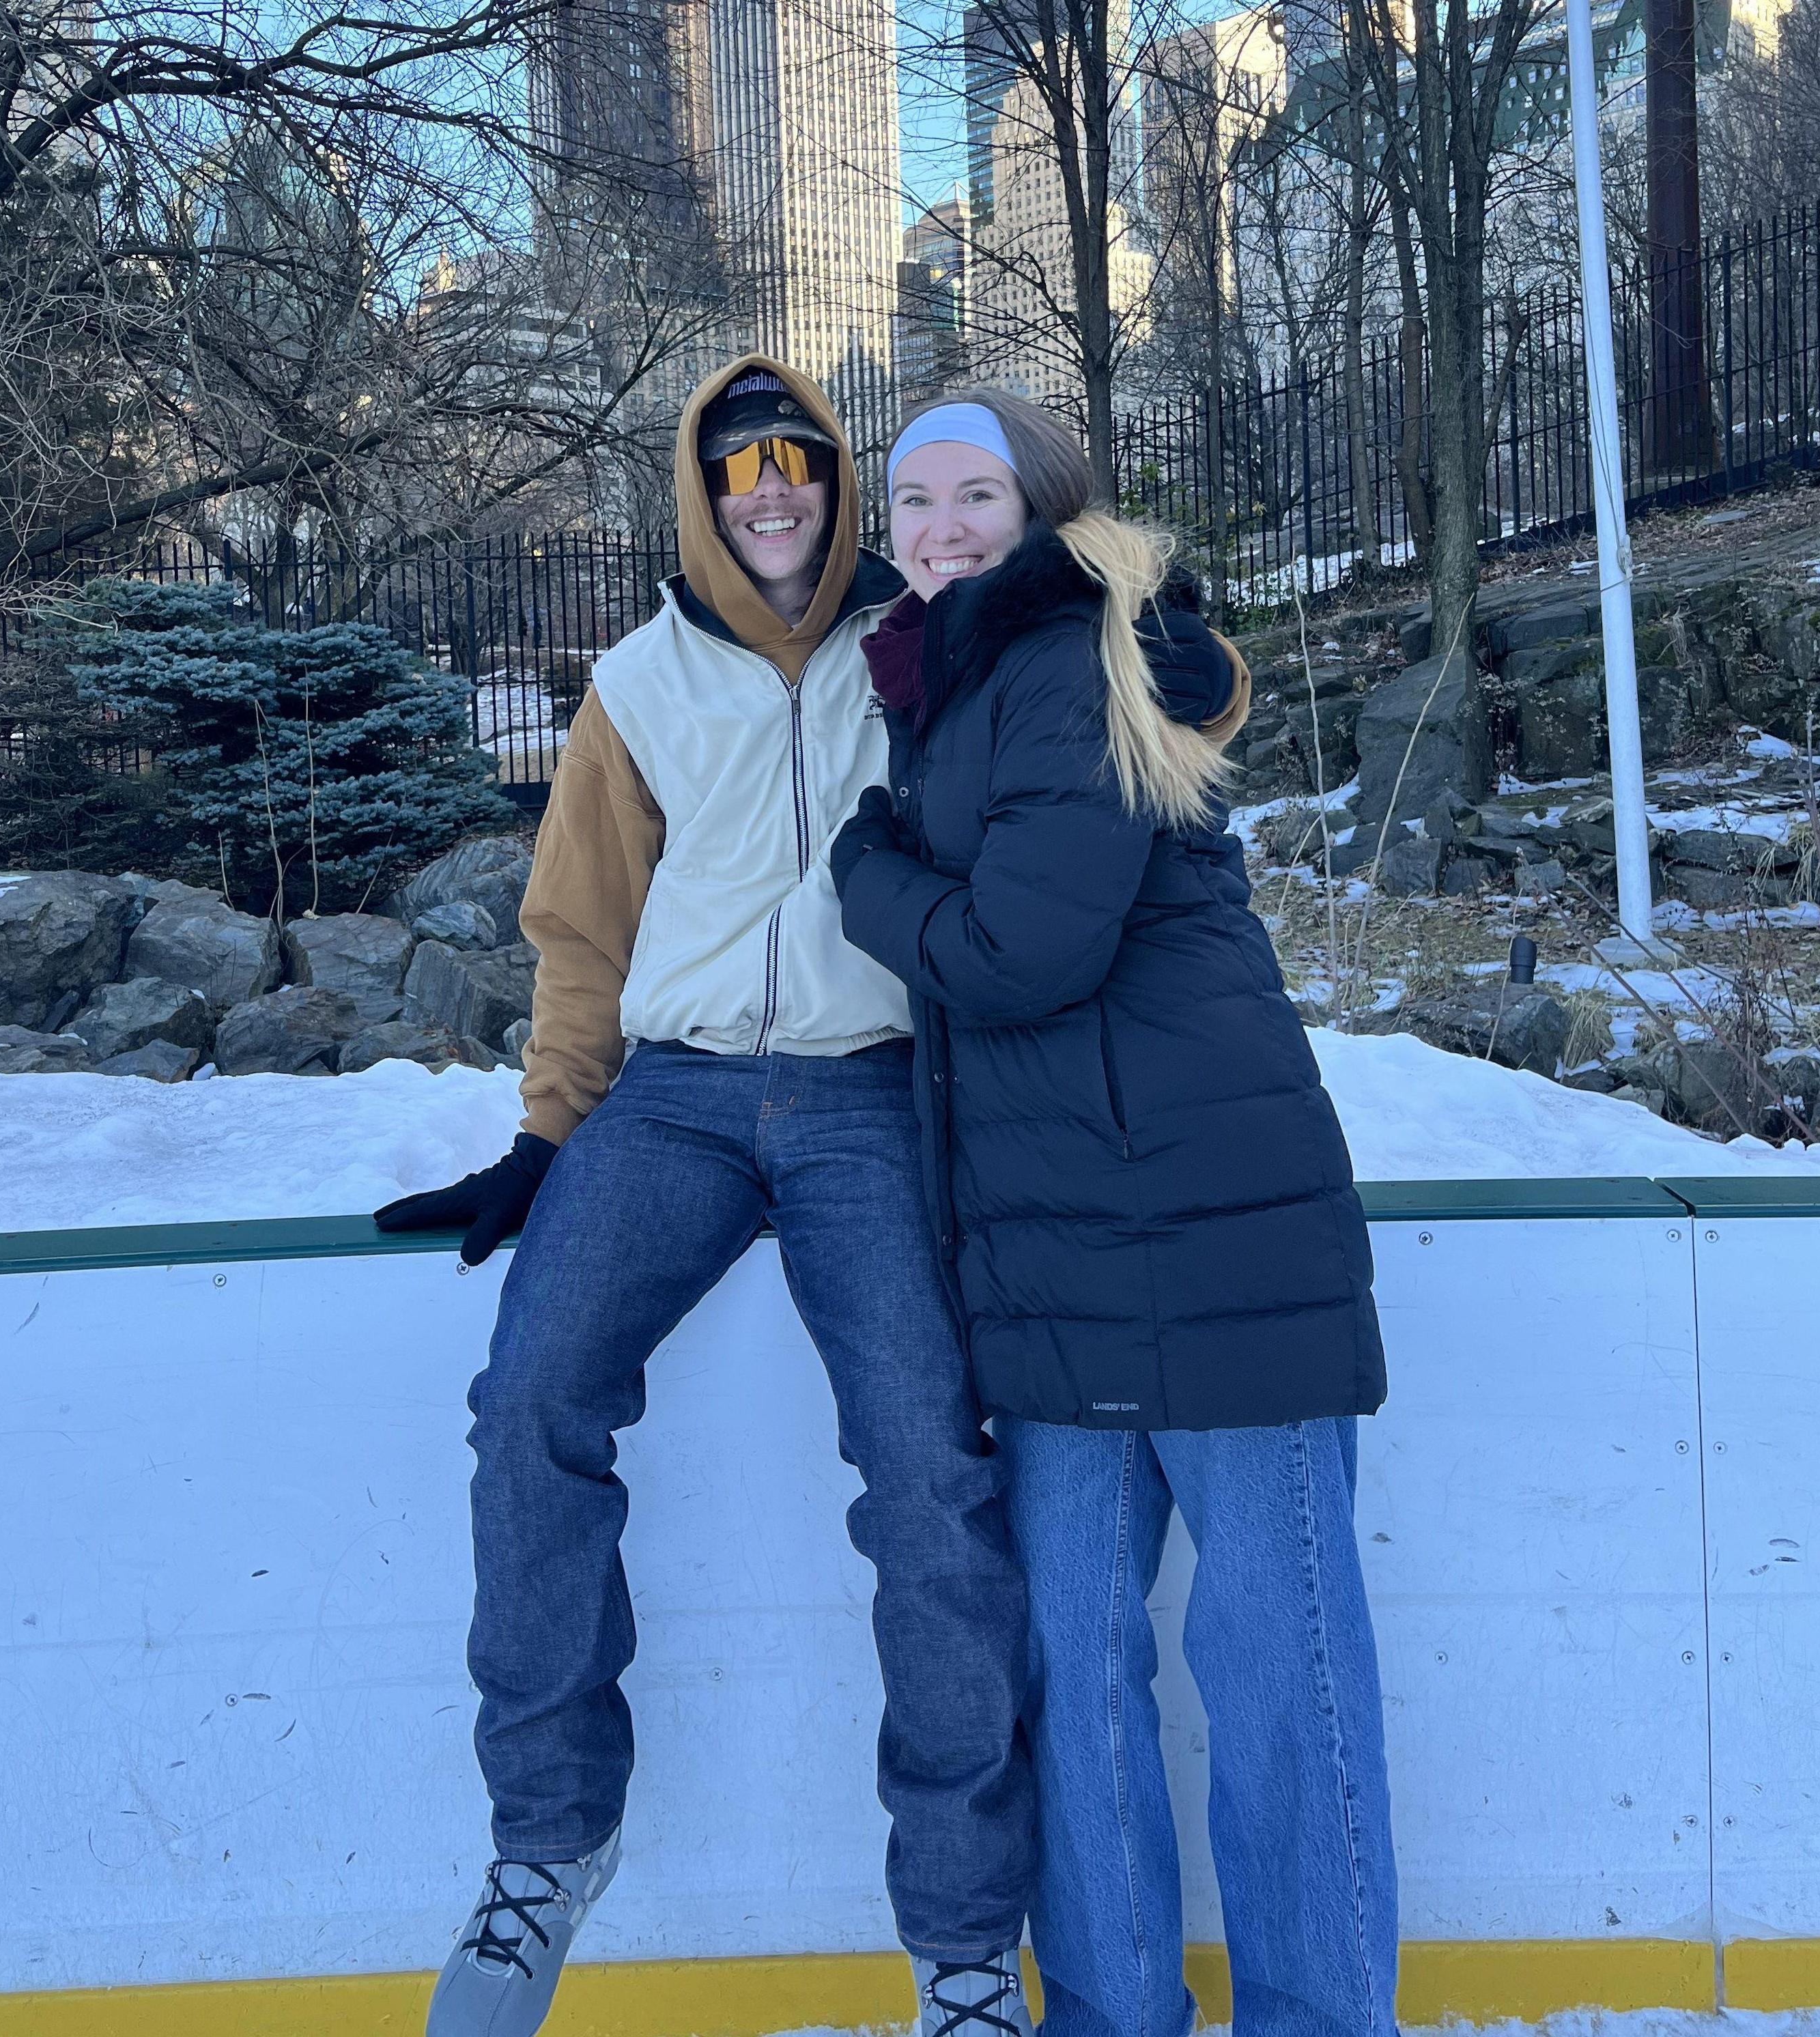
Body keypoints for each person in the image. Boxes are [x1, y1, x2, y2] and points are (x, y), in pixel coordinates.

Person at [374, 359, 1037, 2037]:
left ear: (833, 475)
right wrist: (548, 1136)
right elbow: (581, 930)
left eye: (795, 456)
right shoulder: (636, 682)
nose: (771, 487)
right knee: (529, 1396)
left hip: (865, 1091)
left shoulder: (922, 635)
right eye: (737, 466)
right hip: (670, 1099)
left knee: (929, 1473)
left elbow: (1104, 686)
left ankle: (963, 1943)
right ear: (699, 490)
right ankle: (548, 1841)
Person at [830, 388, 1399, 2037]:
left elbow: (1020, 953)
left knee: (1280, 1671)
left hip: (1219, 1239)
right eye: (913, 498)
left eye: (974, 495)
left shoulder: (1070, 656)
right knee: (1072, 1679)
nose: (938, 527)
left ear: (1043, 508)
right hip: (1056, 1254)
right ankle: (1107, 2009)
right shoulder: (953, 674)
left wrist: (866, 870)